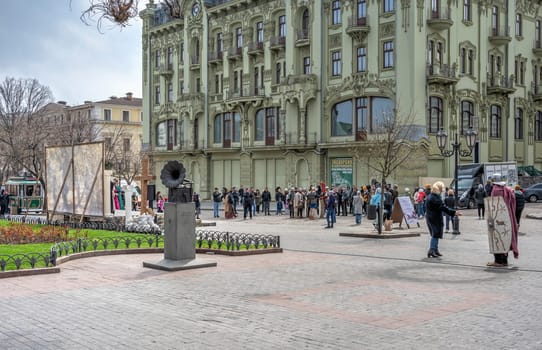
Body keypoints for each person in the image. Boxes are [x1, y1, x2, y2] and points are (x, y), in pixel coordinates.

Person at [488, 176, 519, 267]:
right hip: (508, 217)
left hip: (498, 217)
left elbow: (494, 205)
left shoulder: (496, 190)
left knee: (497, 237)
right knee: (506, 237)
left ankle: (498, 261)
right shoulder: (507, 189)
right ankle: (504, 261)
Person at [425, 181, 460, 258]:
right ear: (439, 189)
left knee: (435, 234)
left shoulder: (430, 196)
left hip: (431, 217)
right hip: (435, 218)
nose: (442, 191)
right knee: (435, 234)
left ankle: (435, 250)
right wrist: (454, 212)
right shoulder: (435, 198)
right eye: (441, 189)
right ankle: (432, 250)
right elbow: (443, 207)